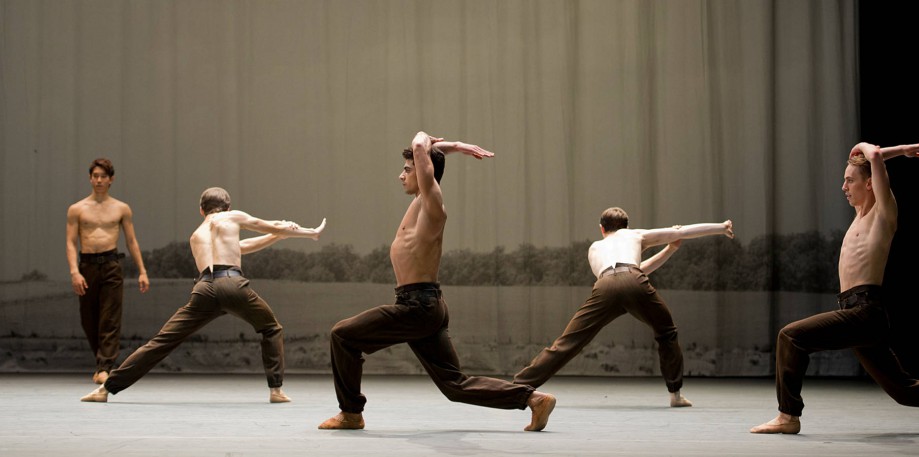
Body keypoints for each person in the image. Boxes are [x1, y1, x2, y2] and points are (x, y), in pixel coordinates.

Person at [750, 143, 919, 435]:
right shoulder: (859, 218)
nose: (843, 185)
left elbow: (871, 155)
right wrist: (896, 152)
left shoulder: (883, 215)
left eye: (850, 180)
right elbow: (873, 159)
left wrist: (871, 149)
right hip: (855, 311)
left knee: (791, 337)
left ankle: (788, 416)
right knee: (903, 390)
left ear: (870, 183)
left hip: (865, 310)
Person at [319, 132, 556, 432]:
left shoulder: (432, 203)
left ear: (422, 171)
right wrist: (450, 147)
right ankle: (534, 399)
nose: (401, 175)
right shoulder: (421, 201)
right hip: (424, 306)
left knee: (342, 336)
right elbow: (426, 155)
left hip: (417, 307)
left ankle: (351, 413)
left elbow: (420, 146)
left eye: (408, 169)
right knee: (454, 385)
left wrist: (431, 140)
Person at [81, 187, 325, 403]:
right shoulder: (233, 216)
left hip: (204, 290)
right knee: (271, 329)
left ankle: (106, 389)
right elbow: (267, 224)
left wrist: (278, 234)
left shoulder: (196, 235)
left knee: (161, 342)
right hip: (232, 284)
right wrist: (306, 232)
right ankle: (276, 390)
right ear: (227, 207)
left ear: (201, 210)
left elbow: (243, 247)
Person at [513, 207, 734, 407]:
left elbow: (612, 277)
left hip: (606, 285)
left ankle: (516, 386)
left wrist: (668, 251)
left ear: (602, 229)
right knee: (667, 333)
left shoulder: (594, 247)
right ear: (627, 226)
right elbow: (680, 233)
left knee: (567, 343)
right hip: (634, 280)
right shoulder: (635, 234)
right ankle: (675, 394)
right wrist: (721, 227)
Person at [66, 158, 150, 385]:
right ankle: (101, 361)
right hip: (87, 265)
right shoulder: (77, 209)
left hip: (112, 264)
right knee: (88, 318)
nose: (99, 180)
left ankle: (104, 367)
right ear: (90, 178)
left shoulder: (121, 208)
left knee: (110, 318)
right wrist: (75, 271)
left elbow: (131, 241)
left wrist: (142, 270)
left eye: (103, 176)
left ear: (111, 179)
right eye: (95, 176)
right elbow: (71, 242)